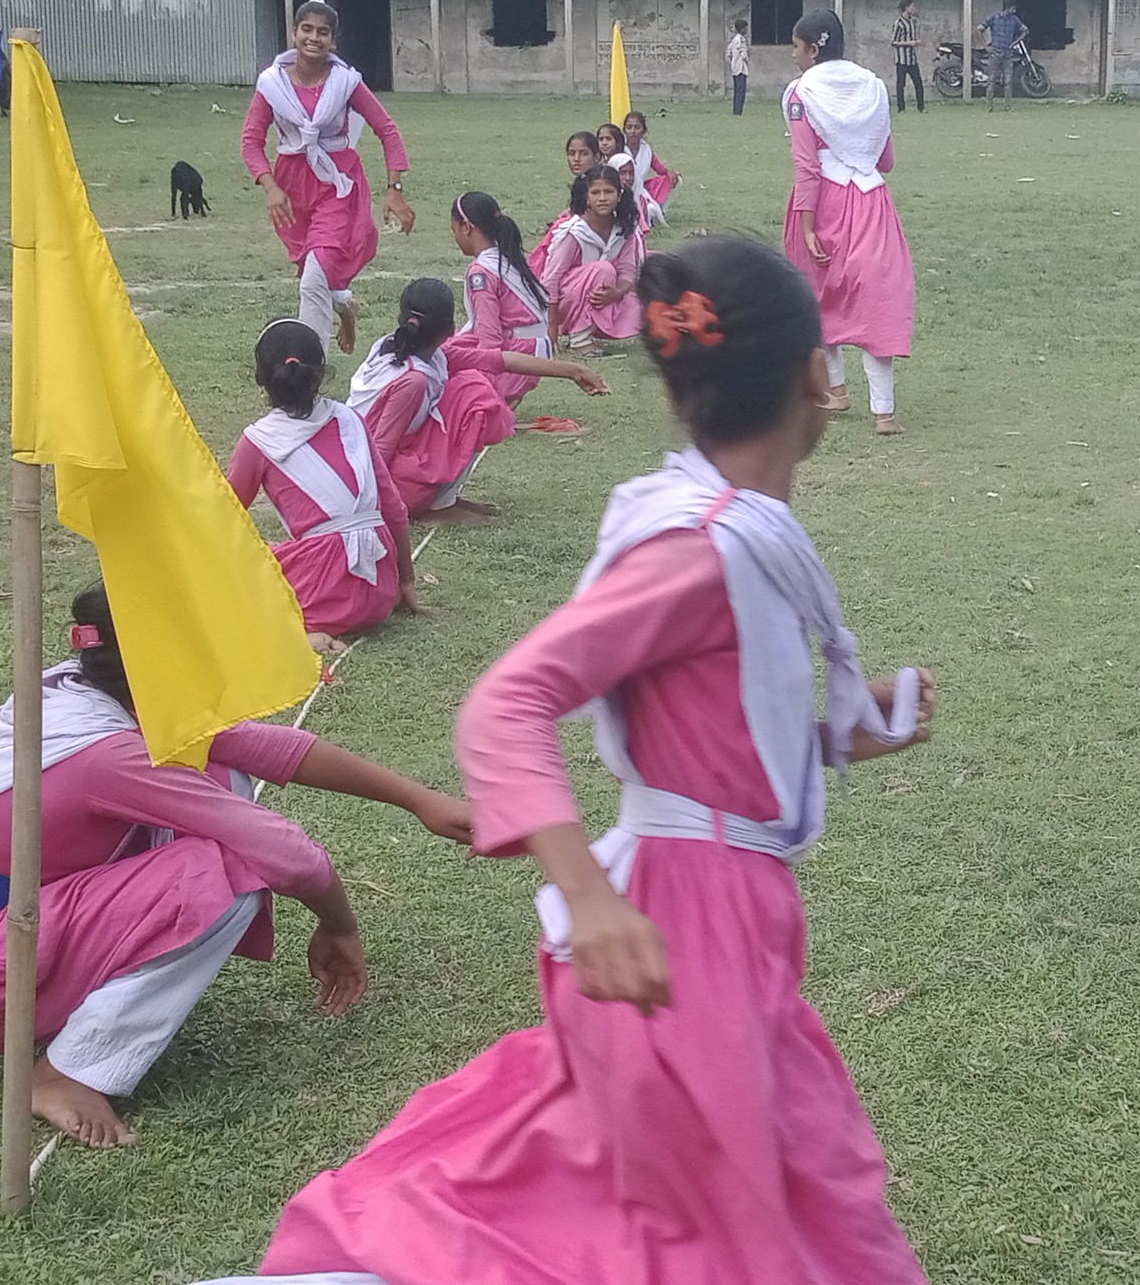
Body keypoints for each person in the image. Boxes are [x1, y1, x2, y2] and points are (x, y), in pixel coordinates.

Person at [197, 236, 938, 1285]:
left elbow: (719, 751)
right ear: (820, 373)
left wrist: (844, 737)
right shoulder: (698, 549)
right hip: (683, 930)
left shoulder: (738, 535)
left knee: (763, 1198)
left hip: (728, 926)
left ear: (677, 395)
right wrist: (588, 897)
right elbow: (508, 703)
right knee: (709, 1228)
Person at [0, 581, 473, 1150]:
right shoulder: (110, 755)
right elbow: (286, 853)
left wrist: (419, 799)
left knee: (216, 774)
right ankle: (65, 1074)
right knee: (230, 870)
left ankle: (82, 1002)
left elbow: (262, 746)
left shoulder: (82, 689)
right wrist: (339, 926)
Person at [228, 319, 422, 650]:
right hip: (380, 590)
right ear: (319, 373)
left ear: (261, 376)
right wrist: (406, 582)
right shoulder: (350, 418)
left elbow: (223, 519)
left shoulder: (257, 441)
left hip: (322, 591)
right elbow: (393, 508)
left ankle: (304, 629)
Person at [346, 278, 607, 524]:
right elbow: (378, 451)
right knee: (475, 396)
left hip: (384, 471)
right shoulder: (412, 380)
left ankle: (444, 498)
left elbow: (498, 360)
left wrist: (574, 371)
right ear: (451, 329)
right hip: (376, 485)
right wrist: (375, 514)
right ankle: (438, 506)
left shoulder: (410, 349)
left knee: (474, 383)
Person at [242, 0, 416, 358]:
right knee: (314, 269)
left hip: (339, 186)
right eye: (306, 29)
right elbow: (251, 141)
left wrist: (395, 189)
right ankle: (345, 306)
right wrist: (270, 186)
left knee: (314, 277)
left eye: (323, 32)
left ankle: (308, 365)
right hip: (291, 189)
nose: (314, 38)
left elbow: (387, 130)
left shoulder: (346, 83)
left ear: (333, 41)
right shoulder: (271, 84)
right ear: (293, 33)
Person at [785, 9, 916, 432]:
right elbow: (886, 160)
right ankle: (884, 411)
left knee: (818, 293)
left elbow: (806, 166)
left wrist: (807, 226)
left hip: (824, 200)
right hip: (871, 200)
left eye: (796, 47)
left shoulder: (800, 94)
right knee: (876, 297)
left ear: (813, 49)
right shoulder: (874, 87)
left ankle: (836, 390)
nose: (794, 55)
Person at [451, 191, 556, 412]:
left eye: (454, 230)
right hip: (536, 351)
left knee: (442, 358)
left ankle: (492, 400)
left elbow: (489, 339)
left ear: (466, 227)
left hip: (518, 355)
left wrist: (481, 387)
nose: (456, 237)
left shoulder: (481, 272)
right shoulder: (507, 258)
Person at [542, 164, 645, 355]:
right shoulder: (574, 232)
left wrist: (618, 292)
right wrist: (551, 327)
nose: (603, 198)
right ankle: (579, 340)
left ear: (619, 195)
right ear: (586, 197)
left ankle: (594, 330)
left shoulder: (624, 229)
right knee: (603, 270)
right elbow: (551, 280)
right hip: (565, 300)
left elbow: (628, 270)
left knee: (640, 293)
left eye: (609, 192)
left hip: (602, 294)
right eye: (595, 193)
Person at [529, 131, 600, 276]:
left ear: (597, 156)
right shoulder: (581, 182)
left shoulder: (600, 182)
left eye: (584, 154)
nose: (576, 159)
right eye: (571, 154)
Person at [623, 109, 681, 211]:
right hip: (621, 191)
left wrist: (670, 172)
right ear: (624, 130)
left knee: (676, 179)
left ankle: (662, 211)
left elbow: (660, 168)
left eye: (637, 127)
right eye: (629, 127)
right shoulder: (619, 148)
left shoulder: (646, 150)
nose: (633, 131)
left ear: (644, 131)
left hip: (640, 190)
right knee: (649, 210)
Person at [980, 0, 1024, 112]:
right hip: (995, 53)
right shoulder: (994, 18)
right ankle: (989, 105)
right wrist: (985, 46)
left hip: (1008, 54)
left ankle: (1007, 106)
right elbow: (980, 29)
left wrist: (1015, 42)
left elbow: (1025, 31)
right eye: (1013, 8)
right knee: (991, 80)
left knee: (1008, 81)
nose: (1014, 11)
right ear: (1007, 8)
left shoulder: (1014, 20)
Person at [609, 150, 663, 232]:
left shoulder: (640, 199)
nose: (628, 178)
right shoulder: (604, 199)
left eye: (631, 173)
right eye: (622, 173)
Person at [892, 0, 925, 115]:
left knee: (918, 83)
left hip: (912, 59)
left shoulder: (913, 22)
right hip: (901, 59)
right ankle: (901, 108)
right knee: (901, 84)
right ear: (906, 8)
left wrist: (916, 42)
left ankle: (921, 107)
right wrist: (909, 43)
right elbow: (893, 42)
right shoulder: (898, 23)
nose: (913, 9)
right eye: (912, 7)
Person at [727, 17, 750, 116]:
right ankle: (738, 112)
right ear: (742, 29)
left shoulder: (733, 40)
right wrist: (746, 59)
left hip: (735, 68)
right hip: (741, 68)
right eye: (745, 28)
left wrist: (732, 61)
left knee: (737, 91)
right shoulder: (741, 40)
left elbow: (728, 52)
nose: (746, 30)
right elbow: (743, 53)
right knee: (741, 91)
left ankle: (736, 111)